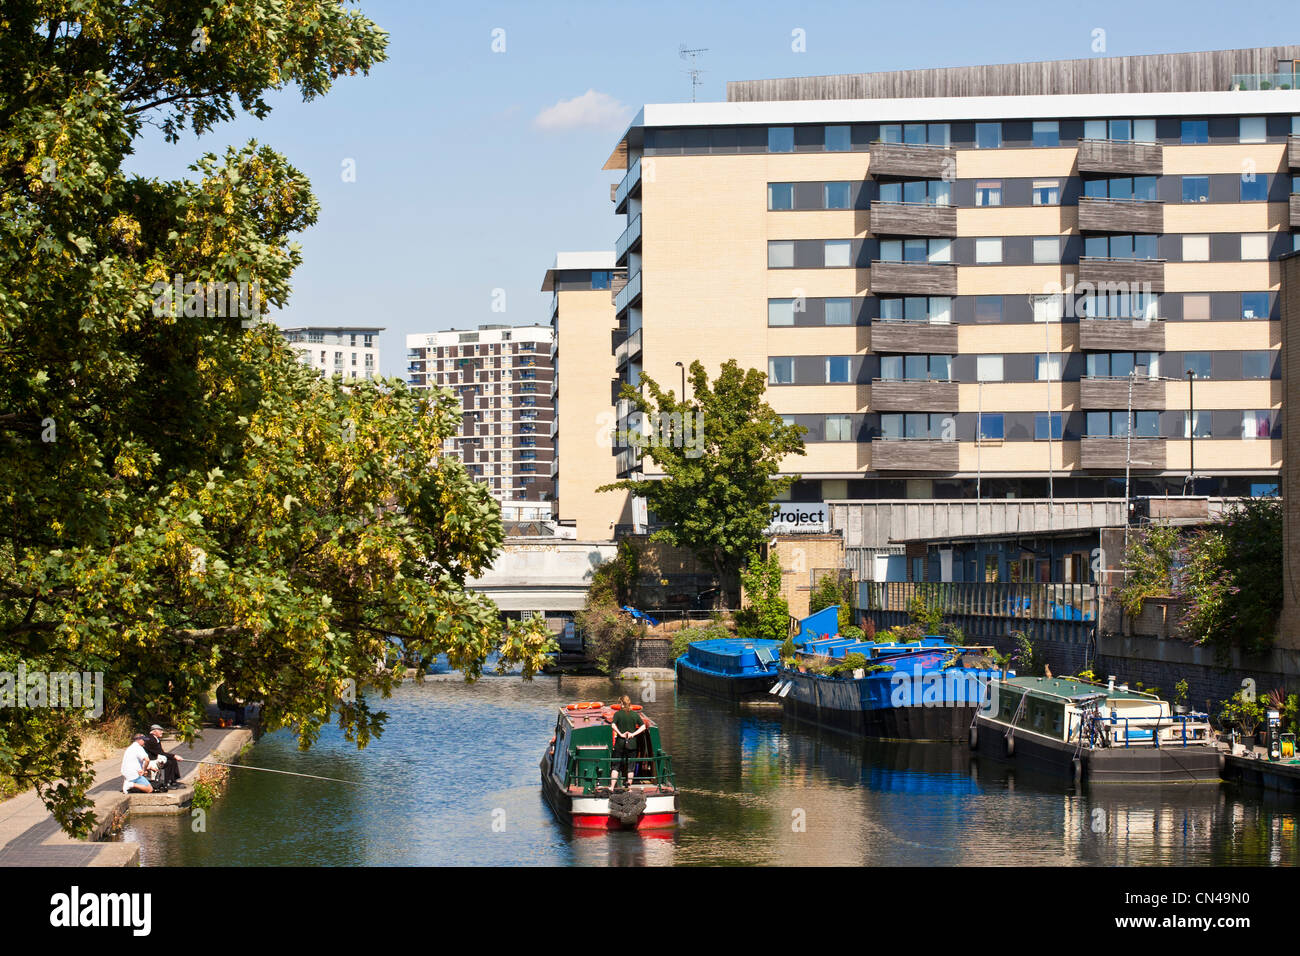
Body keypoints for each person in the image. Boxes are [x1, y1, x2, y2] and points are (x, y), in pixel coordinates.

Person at [610, 696, 646, 791]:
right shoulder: (634, 715)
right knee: (631, 767)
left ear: (621, 703)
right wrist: (633, 734)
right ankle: (629, 788)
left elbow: (613, 725)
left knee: (616, 766)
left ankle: (612, 787)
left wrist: (621, 734)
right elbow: (643, 727)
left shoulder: (617, 714)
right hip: (632, 743)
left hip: (620, 744)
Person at [141, 724, 184, 790]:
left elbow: (161, 752)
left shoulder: (155, 738)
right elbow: (159, 752)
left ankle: (173, 781)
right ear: (154, 731)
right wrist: (174, 756)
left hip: (155, 758)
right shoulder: (150, 739)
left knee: (172, 760)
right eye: (160, 730)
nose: (162, 732)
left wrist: (173, 757)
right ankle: (167, 783)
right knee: (169, 763)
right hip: (151, 760)